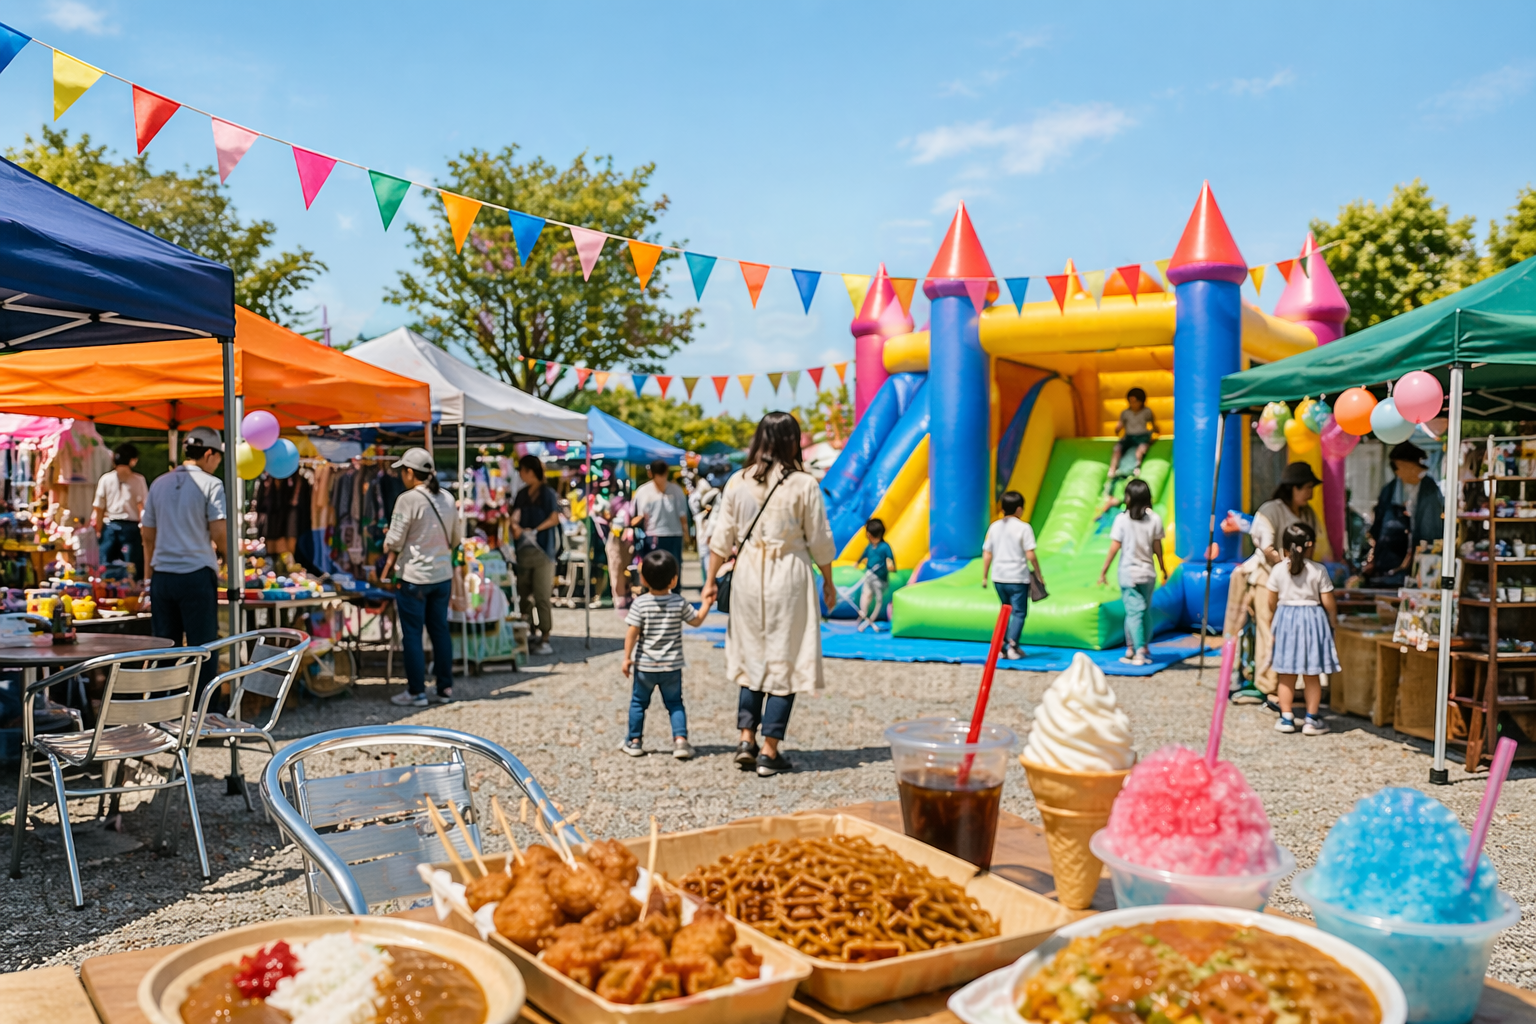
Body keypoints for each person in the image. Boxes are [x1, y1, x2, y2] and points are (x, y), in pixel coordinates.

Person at [701, 411, 837, 778]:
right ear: (792, 442)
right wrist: (828, 580)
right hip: (788, 575)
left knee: (751, 656)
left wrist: (710, 580)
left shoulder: (738, 481)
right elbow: (820, 539)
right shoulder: (803, 484)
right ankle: (769, 749)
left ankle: (746, 738)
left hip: (746, 574)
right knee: (785, 658)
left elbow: (720, 536)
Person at [1222, 462, 1322, 705]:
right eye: (1307, 487)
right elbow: (1266, 548)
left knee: (1286, 633)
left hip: (1295, 582)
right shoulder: (1271, 510)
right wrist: (1290, 568)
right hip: (1266, 578)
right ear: (1292, 488)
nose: (1310, 493)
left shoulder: (1307, 513)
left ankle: (1284, 685)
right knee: (1270, 632)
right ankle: (1267, 685)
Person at [141, 426, 227, 692]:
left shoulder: (159, 482)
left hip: (163, 576)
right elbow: (219, 532)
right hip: (196, 574)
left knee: (164, 649)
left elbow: (147, 535)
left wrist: (148, 576)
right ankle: (203, 715)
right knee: (203, 649)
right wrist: (230, 563)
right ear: (210, 454)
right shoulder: (212, 484)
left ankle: (162, 712)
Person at [382, 447, 464, 707]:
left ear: (409, 472)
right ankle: (445, 688)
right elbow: (456, 539)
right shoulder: (448, 499)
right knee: (440, 631)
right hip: (442, 576)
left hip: (414, 576)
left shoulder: (407, 499)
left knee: (413, 634)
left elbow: (393, 541)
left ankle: (416, 692)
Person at [620, 548, 709, 760]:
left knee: (638, 704)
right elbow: (696, 621)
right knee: (675, 704)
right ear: (674, 580)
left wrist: (626, 657)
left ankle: (634, 741)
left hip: (645, 667)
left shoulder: (640, 604)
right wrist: (706, 603)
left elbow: (632, 633)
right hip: (672, 666)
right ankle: (680, 741)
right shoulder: (679, 602)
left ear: (643, 579)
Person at [1267, 522, 1339, 736]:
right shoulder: (1318, 570)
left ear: (1285, 548)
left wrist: (1276, 616)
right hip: (1312, 621)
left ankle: (1287, 717)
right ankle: (1311, 719)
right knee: (1312, 674)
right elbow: (1328, 602)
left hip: (1286, 620)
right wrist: (1333, 620)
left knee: (1286, 674)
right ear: (1310, 546)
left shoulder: (1278, 570)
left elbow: (1271, 600)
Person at [1097, 478, 1167, 665]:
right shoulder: (1154, 519)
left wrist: (1103, 571)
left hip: (1128, 574)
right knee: (1140, 612)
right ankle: (1136, 648)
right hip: (1147, 573)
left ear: (1128, 498)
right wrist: (1162, 567)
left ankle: (1137, 650)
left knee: (1135, 612)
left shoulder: (1122, 520)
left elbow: (1114, 547)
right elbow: (1157, 547)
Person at [1362, 442, 1445, 586]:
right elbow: (1378, 525)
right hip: (1389, 561)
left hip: (1422, 559)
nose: (1399, 471)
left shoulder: (1430, 489)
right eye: (1396, 467)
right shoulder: (1390, 490)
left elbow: (1433, 529)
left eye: (1402, 466)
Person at [980, 490, 1044, 661]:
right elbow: (1030, 554)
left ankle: (1002, 646)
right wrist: (1038, 574)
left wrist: (985, 576)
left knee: (1005, 610)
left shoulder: (994, 527)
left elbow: (987, 553)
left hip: (999, 576)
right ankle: (1012, 645)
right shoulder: (1024, 528)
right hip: (1017, 577)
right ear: (1018, 509)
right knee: (1019, 612)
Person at [511, 454, 561, 654]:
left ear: (529, 471)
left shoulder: (547, 493)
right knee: (524, 595)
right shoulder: (521, 494)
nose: (521, 474)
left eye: (522, 470)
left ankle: (545, 636)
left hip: (543, 552)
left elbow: (554, 518)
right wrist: (515, 526)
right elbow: (514, 516)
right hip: (523, 551)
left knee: (541, 595)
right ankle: (528, 631)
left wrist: (536, 529)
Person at [92, 442, 148, 580]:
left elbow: (99, 508)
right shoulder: (138, 479)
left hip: (109, 526)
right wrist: (144, 531)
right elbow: (143, 508)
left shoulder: (106, 479)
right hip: (131, 528)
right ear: (133, 460)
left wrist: (98, 529)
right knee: (131, 567)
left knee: (106, 566)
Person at [632, 460, 690, 565]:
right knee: (673, 568)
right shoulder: (677, 490)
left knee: (654, 570)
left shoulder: (642, 491)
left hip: (652, 535)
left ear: (650, 473)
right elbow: (683, 516)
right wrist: (686, 535)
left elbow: (640, 515)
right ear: (667, 471)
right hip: (674, 535)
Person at [1105, 388, 1157, 485]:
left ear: (1141, 401)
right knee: (1118, 448)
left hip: (1142, 436)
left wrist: (1153, 435)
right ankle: (1112, 469)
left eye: (1135, 402)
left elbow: (1153, 425)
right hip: (1129, 436)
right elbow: (1121, 424)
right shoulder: (1126, 413)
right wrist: (1118, 428)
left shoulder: (1146, 412)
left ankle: (1136, 467)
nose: (1133, 404)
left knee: (1140, 450)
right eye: (1130, 401)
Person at [855, 517, 895, 631]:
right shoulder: (870, 547)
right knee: (866, 595)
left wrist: (890, 565)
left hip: (879, 578)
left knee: (878, 599)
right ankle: (864, 615)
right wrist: (857, 563)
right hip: (869, 575)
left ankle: (870, 620)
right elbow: (864, 554)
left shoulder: (884, 547)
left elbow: (890, 559)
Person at [603, 485, 635, 611]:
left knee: (618, 569)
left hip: (621, 539)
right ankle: (621, 597)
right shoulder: (625, 504)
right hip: (620, 539)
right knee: (618, 569)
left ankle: (622, 597)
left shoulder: (621, 504)